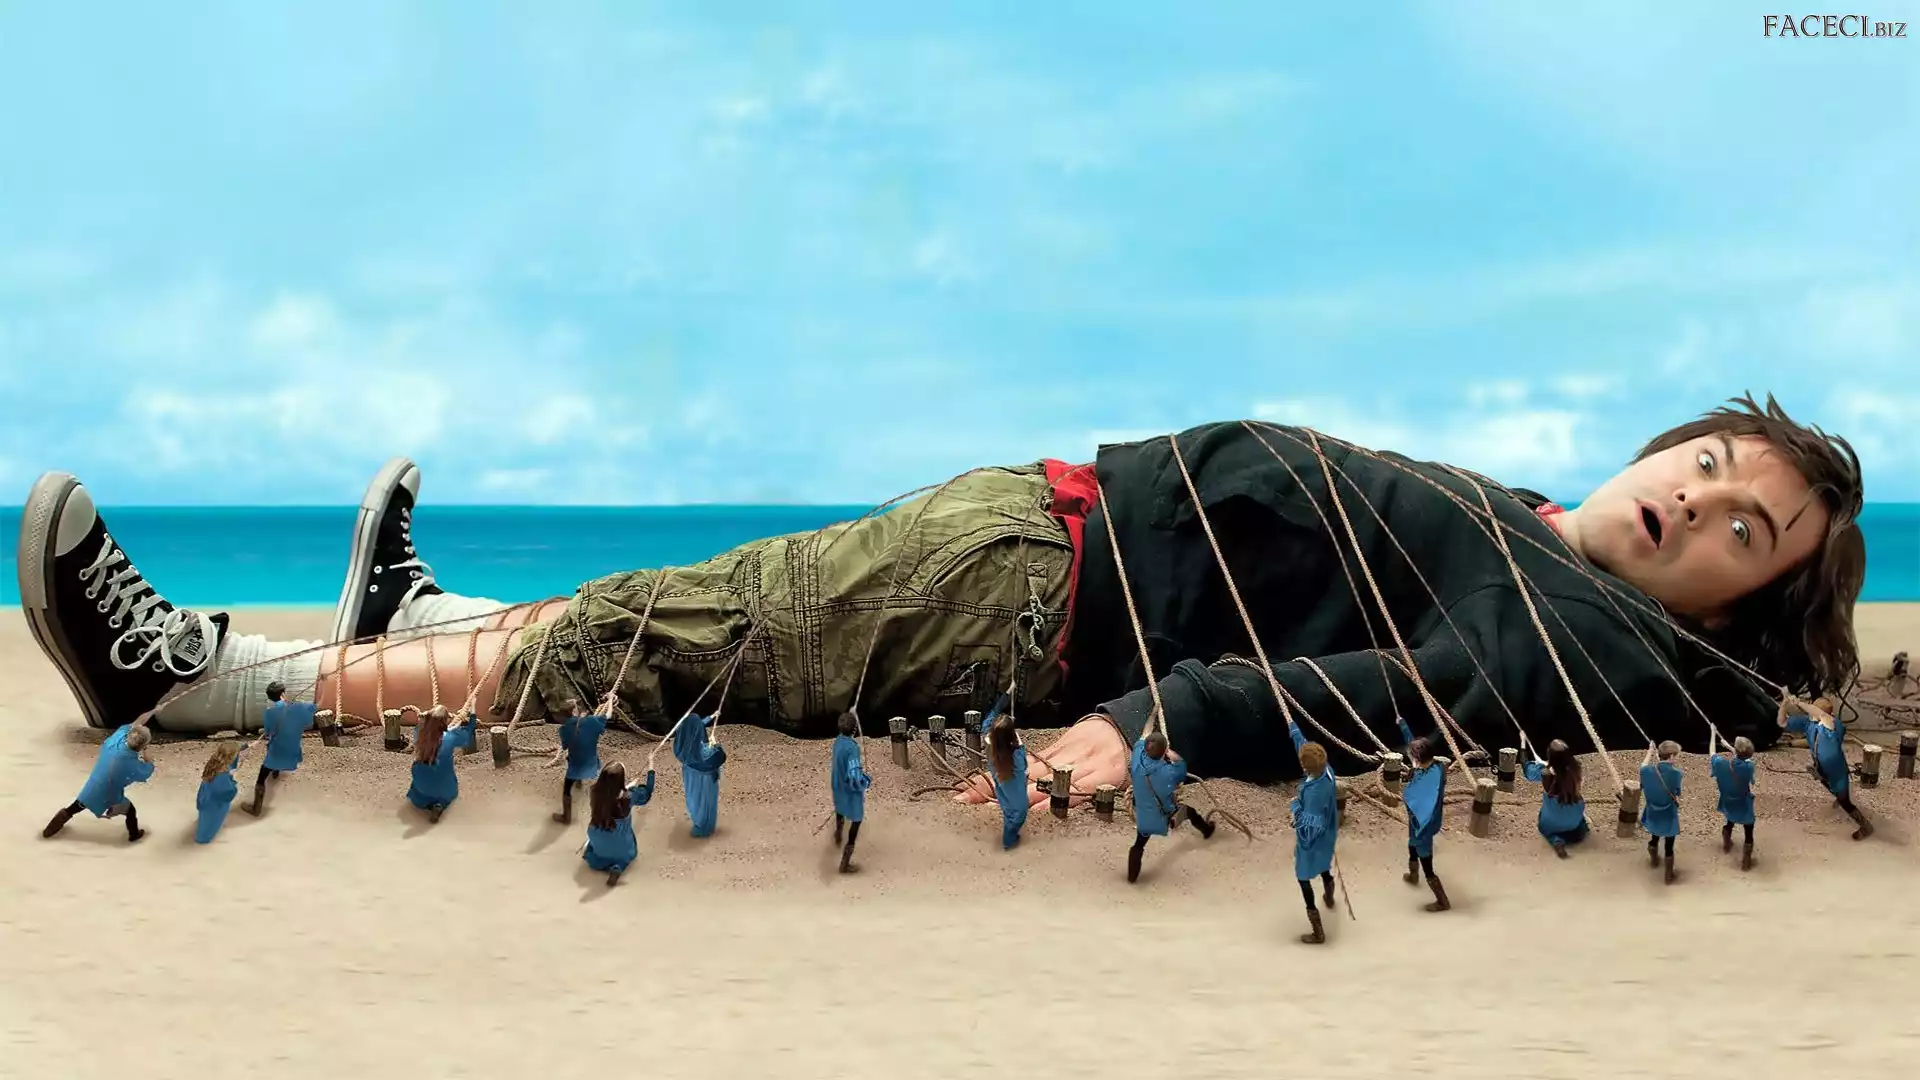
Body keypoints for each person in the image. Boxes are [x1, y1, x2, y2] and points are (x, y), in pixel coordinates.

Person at [18, 395, 1865, 812]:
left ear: (1737, 605)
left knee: (653, 641)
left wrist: (1150, 725)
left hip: (1038, 596)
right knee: (690, 608)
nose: (1700, 499)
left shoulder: (1573, 628)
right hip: (1042, 534)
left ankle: (194, 680)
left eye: (1746, 532)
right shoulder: (1535, 532)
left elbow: (1393, 695)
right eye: (1709, 462)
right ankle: (421, 612)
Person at [42, 714, 157, 843]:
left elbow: (136, 722)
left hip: (92, 787)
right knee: (131, 811)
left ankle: (48, 832)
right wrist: (146, 750)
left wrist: (153, 710)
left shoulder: (116, 739)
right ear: (142, 745)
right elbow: (148, 769)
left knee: (73, 808)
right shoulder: (132, 764)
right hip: (110, 795)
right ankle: (134, 835)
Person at [1125, 731, 1217, 884]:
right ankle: (1207, 830)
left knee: (1139, 844)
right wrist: (1170, 753)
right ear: (1163, 752)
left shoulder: (1137, 760)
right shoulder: (1168, 772)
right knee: (1189, 811)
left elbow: (1141, 742)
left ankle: (1132, 878)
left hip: (1143, 813)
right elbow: (1181, 766)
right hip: (1163, 816)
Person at [1778, 693, 1873, 840]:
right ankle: (1837, 797)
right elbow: (1782, 722)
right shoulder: (1809, 722)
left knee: (1845, 801)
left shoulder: (1834, 725)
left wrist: (1799, 703)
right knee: (1828, 784)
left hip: (1837, 772)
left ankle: (1866, 826)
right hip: (1822, 768)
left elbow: (1821, 715)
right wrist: (1784, 704)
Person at [1287, 717, 1339, 945]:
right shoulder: (1326, 769)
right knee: (1324, 863)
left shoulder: (1315, 793)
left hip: (1313, 838)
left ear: (1305, 767)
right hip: (1328, 832)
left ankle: (1318, 931)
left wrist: (1295, 808)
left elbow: (1309, 828)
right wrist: (1293, 728)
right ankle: (1329, 890)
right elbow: (1304, 746)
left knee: (1303, 876)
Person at [1396, 719, 1449, 911]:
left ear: (1417, 758)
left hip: (1423, 826)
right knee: (1411, 845)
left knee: (1425, 860)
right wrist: (1403, 724)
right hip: (1417, 821)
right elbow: (1413, 744)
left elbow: (1424, 808)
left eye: (1411, 756)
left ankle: (1442, 901)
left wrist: (1420, 834)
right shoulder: (1434, 766)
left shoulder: (1428, 783)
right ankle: (1413, 875)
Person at [583, 759, 656, 886]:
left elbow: (610, 796)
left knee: (592, 849)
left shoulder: (594, 792)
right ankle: (618, 867)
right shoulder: (629, 797)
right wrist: (651, 767)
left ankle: (603, 862)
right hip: (620, 843)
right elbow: (647, 792)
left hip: (597, 834)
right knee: (623, 853)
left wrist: (627, 788)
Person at [249, 680, 317, 817]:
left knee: (262, 776)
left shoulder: (269, 713)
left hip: (277, 752)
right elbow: (313, 709)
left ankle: (256, 808)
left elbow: (268, 733)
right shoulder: (297, 708)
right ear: (283, 694)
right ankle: (276, 772)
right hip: (294, 752)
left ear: (270, 697)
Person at [406, 706, 479, 822]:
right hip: (444, 785)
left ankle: (428, 803)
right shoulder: (451, 736)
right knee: (445, 787)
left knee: (420, 783)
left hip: (422, 782)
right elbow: (469, 732)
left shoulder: (419, 733)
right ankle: (440, 804)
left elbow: (426, 728)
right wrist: (473, 713)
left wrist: (428, 718)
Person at [1521, 738, 1590, 857]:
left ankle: (1556, 840)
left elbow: (1526, 767)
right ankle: (1569, 836)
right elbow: (1561, 772)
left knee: (1546, 826)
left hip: (1551, 821)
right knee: (1580, 827)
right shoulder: (1576, 768)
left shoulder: (1544, 773)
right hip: (1573, 820)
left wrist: (1523, 742)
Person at [551, 699, 608, 826]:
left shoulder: (563, 729)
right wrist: (609, 700)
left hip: (576, 764)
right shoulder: (590, 721)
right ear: (574, 711)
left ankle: (566, 817)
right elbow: (606, 716)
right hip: (592, 763)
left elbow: (565, 746)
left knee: (567, 789)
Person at [830, 712, 873, 873]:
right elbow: (854, 775)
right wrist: (865, 780)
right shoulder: (852, 748)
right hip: (849, 788)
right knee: (856, 819)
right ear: (854, 730)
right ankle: (845, 862)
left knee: (840, 808)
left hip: (837, 784)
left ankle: (838, 833)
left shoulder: (837, 742)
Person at [671, 714, 726, 838]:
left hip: (690, 775)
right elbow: (719, 758)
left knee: (694, 799)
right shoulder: (703, 751)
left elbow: (693, 726)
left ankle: (698, 822)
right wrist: (715, 745)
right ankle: (705, 827)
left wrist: (711, 716)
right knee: (705, 801)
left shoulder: (681, 746)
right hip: (705, 779)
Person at [983, 710, 1030, 850]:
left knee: (1008, 809)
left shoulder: (991, 747)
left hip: (1001, 785)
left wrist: (1006, 724)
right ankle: (1008, 842)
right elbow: (1023, 766)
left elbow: (988, 723)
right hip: (1015, 785)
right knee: (1019, 813)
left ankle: (1010, 835)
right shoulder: (1016, 756)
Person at [1639, 741, 1684, 885]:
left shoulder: (1646, 771)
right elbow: (1677, 792)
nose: (1677, 758)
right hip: (1668, 812)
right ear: (1671, 756)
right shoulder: (1677, 774)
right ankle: (1668, 875)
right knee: (1669, 844)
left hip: (1652, 810)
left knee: (1655, 834)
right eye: (1676, 755)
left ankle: (1653, 859)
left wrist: (1649, 751)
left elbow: (1643, 766)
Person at [1710, 735, 1758, 869]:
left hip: (1728, 800)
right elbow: (1744, 758)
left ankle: (1727, 841)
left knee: (1730, 818)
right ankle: (1746, 861)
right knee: (1749, 828)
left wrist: (1713, 734)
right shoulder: (1749, 766)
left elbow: (1712, 753)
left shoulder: (1720, 763)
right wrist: (1730, 748)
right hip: (1743, 803)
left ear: (1736, 750)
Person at [196, 739, 253, 844]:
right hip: (215, 805)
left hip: (206, 797)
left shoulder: (215, 762)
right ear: (231, 757)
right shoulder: (222, 776)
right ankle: (203, 839)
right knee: (211, 824)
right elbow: (228, 794)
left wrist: (246, 746)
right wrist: (233, 784)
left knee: (205, 819)